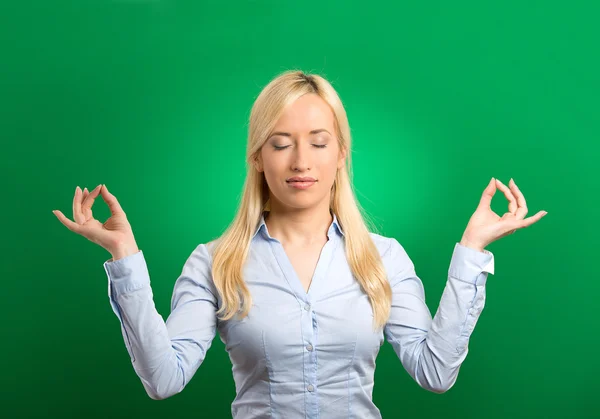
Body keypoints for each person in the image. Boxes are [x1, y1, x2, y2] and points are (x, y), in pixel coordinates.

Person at [53, 70, 547, 418]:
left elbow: (435, 371)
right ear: (258, 157)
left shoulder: (383, 258)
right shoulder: (214, 261)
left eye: (318, 140)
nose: (300, 161)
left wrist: (473, 250)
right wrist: (124, 258)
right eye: (281, 142)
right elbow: (163, 380)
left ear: (340, 154)